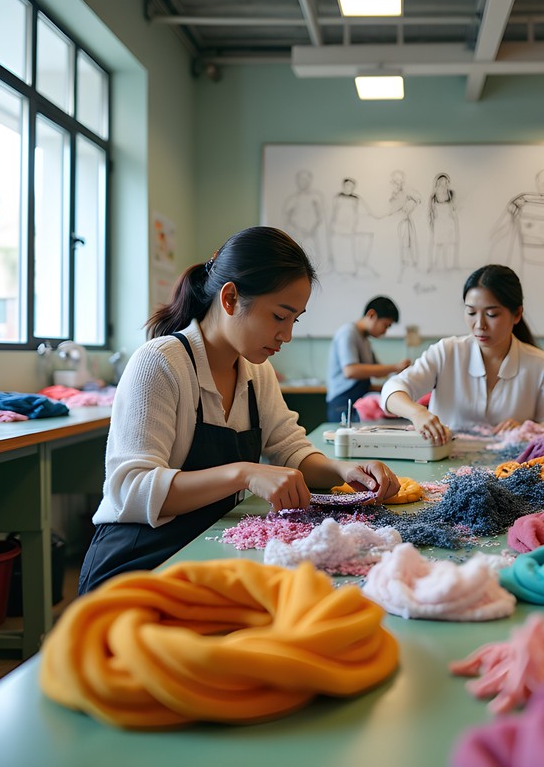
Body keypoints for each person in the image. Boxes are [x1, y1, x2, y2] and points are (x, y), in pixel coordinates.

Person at [78, 227, 400, 594]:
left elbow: (290, 451)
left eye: (295, 320)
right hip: (139, 566)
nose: (287, 335)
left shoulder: (256, 372)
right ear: (230, 298)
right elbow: (130, 490)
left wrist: (344, 470)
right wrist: (243, 474)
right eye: (279, 316)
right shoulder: (160, 363)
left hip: (206, 551)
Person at [380, 264, 544, 444]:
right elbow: (392, 389)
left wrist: (527, 429)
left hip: (512, 467)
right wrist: (417, 413)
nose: (480, 325)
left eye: (492, 314)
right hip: (446, 460)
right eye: (471, 313)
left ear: (517, 314)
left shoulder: (542, 366)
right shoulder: (446, 352)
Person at [326, 296, 411, 423]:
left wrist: (402, 373)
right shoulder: (348, 333)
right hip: (343, 404)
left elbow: (378, 371)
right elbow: (351, 371)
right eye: (385, 325)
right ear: (372, 315)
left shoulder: (365, 340)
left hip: (358, 401)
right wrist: (395, 367)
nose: (385, 331)